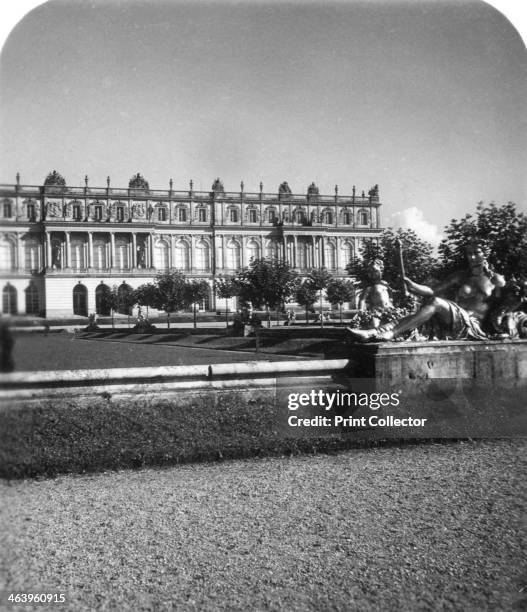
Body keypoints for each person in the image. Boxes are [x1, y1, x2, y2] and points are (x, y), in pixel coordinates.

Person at [349, 240, 505, 342]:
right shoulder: (460, 276)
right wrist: (413, 285)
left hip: (474, 325)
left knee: (436, 304)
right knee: (413, 315)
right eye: (469, 253)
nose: (471, 257)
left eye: (476, 253)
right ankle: (372, 333)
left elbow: (503, 307)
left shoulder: (496, 280)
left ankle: (391, 333)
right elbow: (432, 290)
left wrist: (502, 328)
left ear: (486, 253)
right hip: (454, 320)